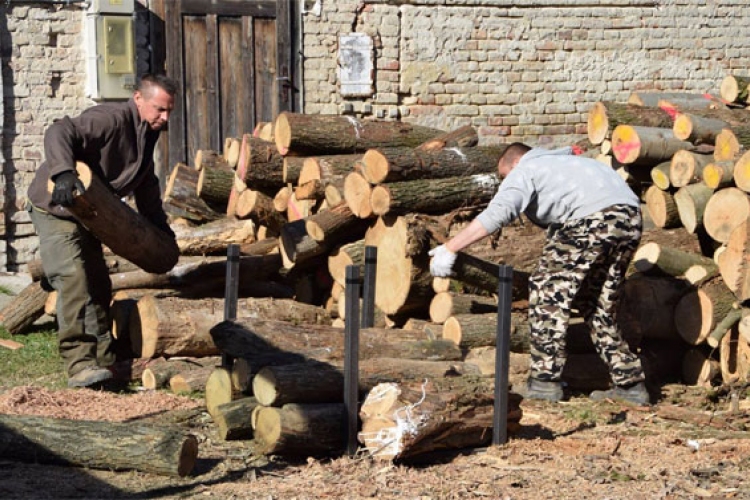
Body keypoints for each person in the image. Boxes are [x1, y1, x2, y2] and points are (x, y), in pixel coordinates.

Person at [429, 142, 649, 405]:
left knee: (547, 294)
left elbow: (499, 213)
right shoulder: (578, 164)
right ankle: (630, 384)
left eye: (503, 177)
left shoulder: (527, 168)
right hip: (630, 219)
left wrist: (450, 248)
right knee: (597, 303)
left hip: (590, 220)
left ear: (513, 163)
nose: (504, 183)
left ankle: (544, 382)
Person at [27, 74, 178, 388]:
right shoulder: (110, 118)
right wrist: (64, 173)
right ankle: (79, 364)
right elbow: (59, 130)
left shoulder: (144, 141)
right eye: (159, 110)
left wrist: (163, 235)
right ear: (138, 99)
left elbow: (147, 190)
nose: (164, 119)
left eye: (168, 112)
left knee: (98, 284)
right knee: (73, 278)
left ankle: (105, 363)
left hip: (87, 216)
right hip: (55, 208)